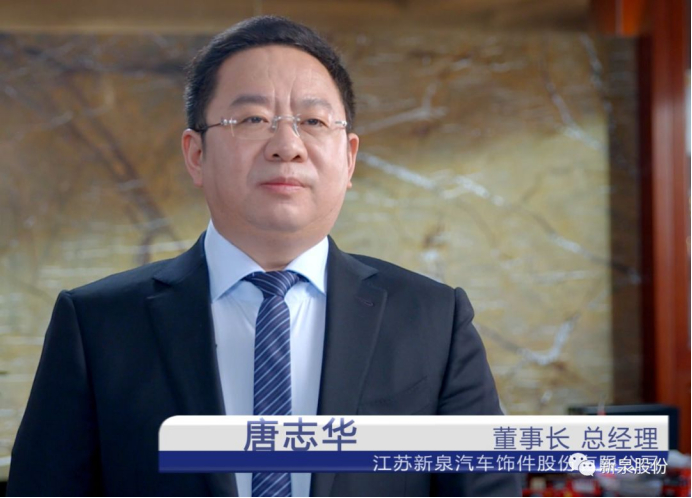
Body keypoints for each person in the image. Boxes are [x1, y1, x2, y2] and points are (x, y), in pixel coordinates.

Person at [7, 16, 521, 497]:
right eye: (253, 118)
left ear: (349, 159)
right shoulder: (98, 324)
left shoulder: (434, 320)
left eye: (314, 121)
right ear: (196, 154)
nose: (287, 145)